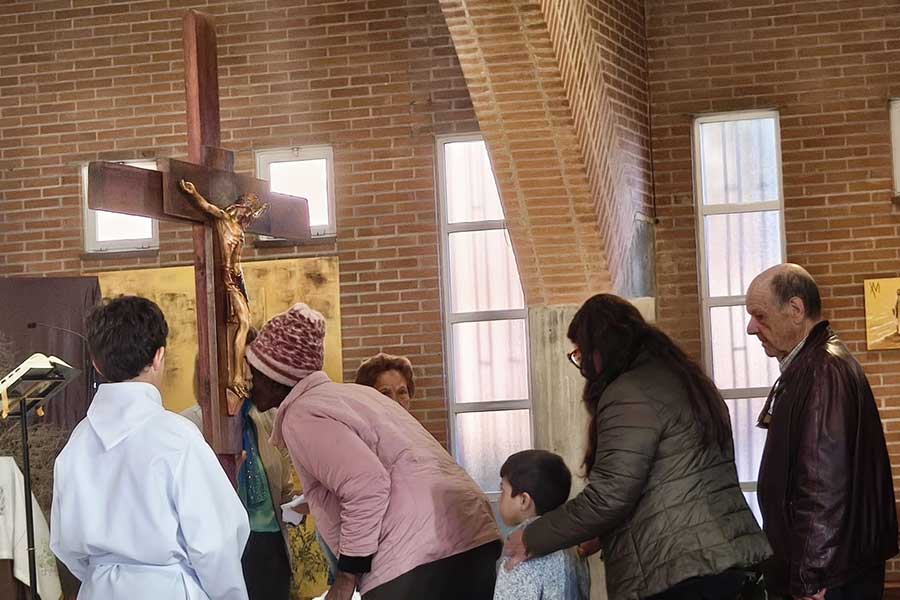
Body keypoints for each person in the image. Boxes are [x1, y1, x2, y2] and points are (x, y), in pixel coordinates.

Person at [504, 294, 770, 600]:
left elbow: (610, 495)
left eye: (581, 353)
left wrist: (531, 538)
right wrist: (602, 533)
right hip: (724, 559)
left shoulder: (630, 393)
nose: (583, 366)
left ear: (602, 348)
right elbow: (668, 482)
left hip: (681, 570)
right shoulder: (685, 381)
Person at [245, 303, 501, 600]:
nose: (246, 381)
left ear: (274, 376)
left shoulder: (301, 414)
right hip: (471, 533)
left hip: (417, 553)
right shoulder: (356, 395)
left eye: (252, 369)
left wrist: (346, 576)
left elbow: (367, 485)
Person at [50, 295, 250, 600]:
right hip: (168, 588)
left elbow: (65, 546)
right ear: (159, 357)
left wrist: (107, 572)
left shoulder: (77, 443)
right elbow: (215, 544)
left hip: (99, 588)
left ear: (95, 362)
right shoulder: (178, 437)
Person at [746, 264, 898, 600]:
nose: (751, 328)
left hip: (828, 577)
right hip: (833, 567)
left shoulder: (822, 370)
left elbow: (822, 484)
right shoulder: (814, 364)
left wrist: (810, 577)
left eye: (759, 315)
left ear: (796, 309)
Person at [181, 328, 295, 600]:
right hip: (223, 552)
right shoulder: (187, 427)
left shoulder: (269, 418)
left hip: (270, 547)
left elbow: (284, 487)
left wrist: (296, 505)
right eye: (241, 364)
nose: (248, 375)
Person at [493, 450, 589, 600]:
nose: (500, 498)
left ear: (523, 500)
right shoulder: (571, 544)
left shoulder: (519, 552)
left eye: (502, 490)